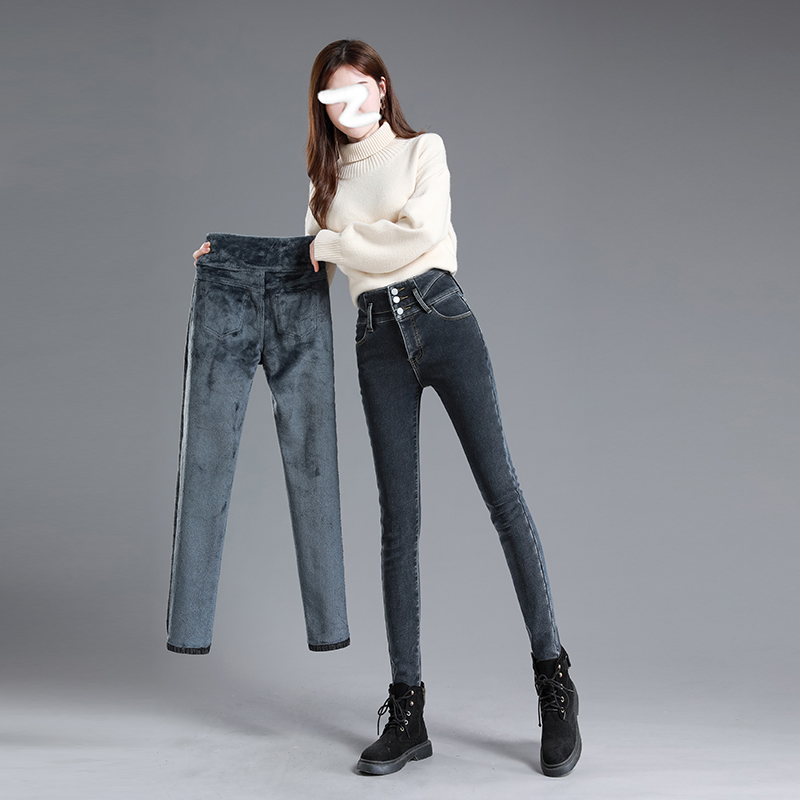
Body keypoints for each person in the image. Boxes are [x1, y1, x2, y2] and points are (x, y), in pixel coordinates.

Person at [194, 38, 581, 779]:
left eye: (355, 92)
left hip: (443, 318)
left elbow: (422, 233)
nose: (345, 109)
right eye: (330, 100)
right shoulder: (324, 186)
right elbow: (304, 265)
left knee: (503, 496)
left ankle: (554, 681)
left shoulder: (423, 151)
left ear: (379, 87)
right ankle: (408, 712)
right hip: (376, 343)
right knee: (398, 523)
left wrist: (340, 244)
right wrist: (226, 257)